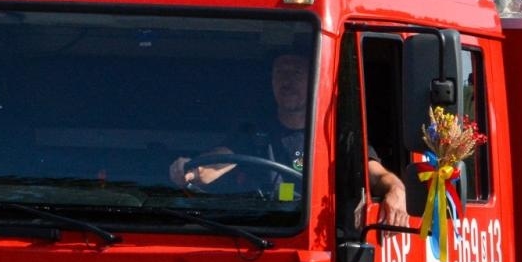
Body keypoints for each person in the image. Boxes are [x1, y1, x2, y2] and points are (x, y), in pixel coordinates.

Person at [169, 53, 409, 227]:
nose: (287, 80)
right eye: (280, 72)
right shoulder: (255, 132)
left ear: (313, 79)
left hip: (317, 233)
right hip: (264, 231)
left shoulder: (336, 134)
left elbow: (378, 176)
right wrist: (190, 169)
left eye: (296, 72)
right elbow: (218, 162)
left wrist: (396, 190)